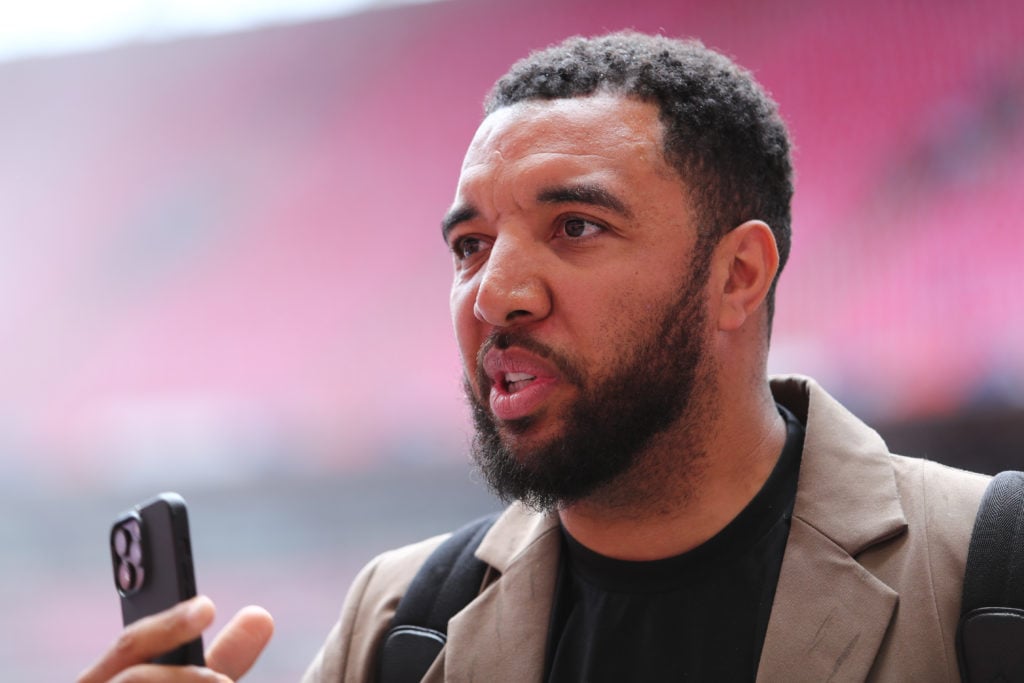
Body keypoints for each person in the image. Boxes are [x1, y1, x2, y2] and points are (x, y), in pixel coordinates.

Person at [79, 31, 989, 683]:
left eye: (577, 226)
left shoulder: (986, 572)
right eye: (469, 244)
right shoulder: (399, 618)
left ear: (738, 275)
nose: (495, 294)